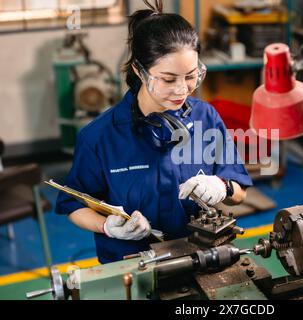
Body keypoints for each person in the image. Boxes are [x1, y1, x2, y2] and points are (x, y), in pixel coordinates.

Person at [55, 0, 252, 264]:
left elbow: (240, 193)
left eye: (191, 76)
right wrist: (107, 226)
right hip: (132, 264)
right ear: (139, 69)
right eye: (169, 79)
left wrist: (223, 186)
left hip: (199, 258)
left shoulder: (206, 118)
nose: (183, 89)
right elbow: (73, 204)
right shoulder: (99, 137)